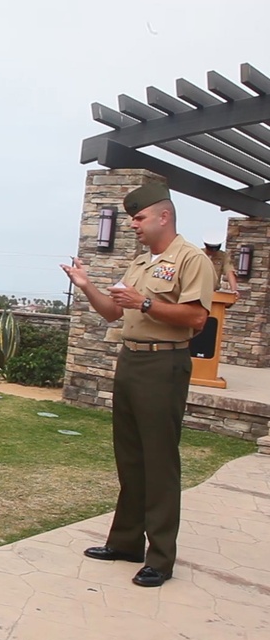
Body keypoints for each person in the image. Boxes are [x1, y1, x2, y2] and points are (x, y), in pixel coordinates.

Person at [60, 183, 214, 587]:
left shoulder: (192, 260)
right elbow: (113, 311)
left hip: (164, 363)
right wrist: (87, 284)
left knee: (159, 461)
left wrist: (145, 303)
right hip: (130, 358)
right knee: (129, 456)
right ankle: (126, 542)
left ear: (164, 216)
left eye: (140, 217)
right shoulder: (141, 263)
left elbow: (197, 319)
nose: (133, 224)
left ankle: (160, 557)